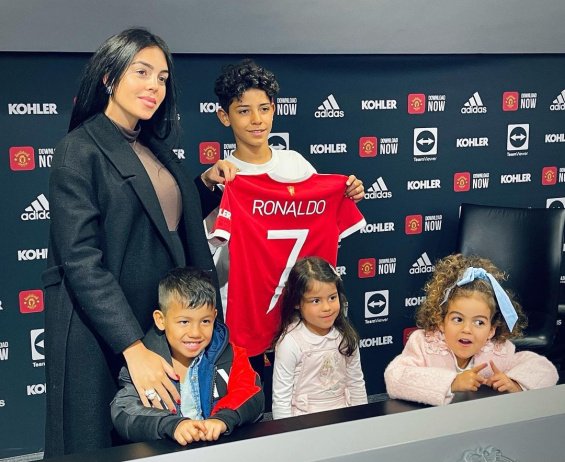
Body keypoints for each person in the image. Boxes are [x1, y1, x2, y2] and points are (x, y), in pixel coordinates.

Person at [42, 28, 235, 457]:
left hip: (152, 317)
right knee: (94, 444)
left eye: (163, 78)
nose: (154, 86)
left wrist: (203, 185)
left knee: (154, 439)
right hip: (101, 329)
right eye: (141, 72)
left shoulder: (155, 146)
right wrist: (133, 348)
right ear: (109, 77)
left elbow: (154, 219)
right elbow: (80, 259)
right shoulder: (79, 149)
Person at [206, 59, 365, 382]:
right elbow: (211, 249)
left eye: (264, 109)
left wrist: (347, 191)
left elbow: (325, 207)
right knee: (253, 398)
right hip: (246, 311)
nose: (256, 120)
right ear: (224, 116)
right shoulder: (223, 178)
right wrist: (212, 186)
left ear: (274, 110)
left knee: (298, 398)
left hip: (298, 311)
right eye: (243, 110)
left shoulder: (297, 165)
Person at [111, 267, 263, 445]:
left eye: (205, 321)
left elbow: (253, 394)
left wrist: (223, 419)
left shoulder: (230, 355)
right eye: (184, 322)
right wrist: (172, 425)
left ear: (214, 316)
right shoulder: (145, 365)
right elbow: (124, 411)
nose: (195, 332)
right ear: (161, 320)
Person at [384, 254, 559, 406]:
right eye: (458, 319)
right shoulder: (424, 344)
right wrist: (452, 383)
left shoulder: (497, 350)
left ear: (491, 330)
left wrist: (515, 383)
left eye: (479, 323)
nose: (467, 329)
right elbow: (395, 378)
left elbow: (545, 369)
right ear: (441, 321)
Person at [271, 257, 368, 419]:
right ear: (297, 302)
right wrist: (286, 437)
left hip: (343, 415)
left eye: (332, 297)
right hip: (303, 422)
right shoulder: (290, 343)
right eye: (316, 301)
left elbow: (356, 383)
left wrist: (362, 421)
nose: (327, 307)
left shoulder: (345, 336)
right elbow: (281, 399)